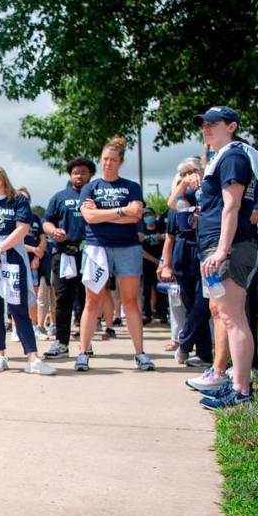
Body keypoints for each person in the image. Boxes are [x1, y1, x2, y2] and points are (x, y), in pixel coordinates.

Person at [191, 106, 258, 409]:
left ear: (231, 126)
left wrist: (222, 250)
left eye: (213, 124)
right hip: (219, 245)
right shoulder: (224, 157)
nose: (206, 129)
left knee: (233, 318)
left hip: (231, 247)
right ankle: (236, 384)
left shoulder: (233, 156)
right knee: (226, 315)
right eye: (203, 125)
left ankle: (241, 390)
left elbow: (231, 207)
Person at [0, 164, 56, 375]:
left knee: (18, 309)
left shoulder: (17, 200)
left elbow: (22, 228)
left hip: (12, 258)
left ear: (1, 174)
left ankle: (33, 359)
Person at [77, 136, 155, 372]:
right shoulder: (90, 187)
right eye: (104, 159)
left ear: (120, 162)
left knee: (130, 301)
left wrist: (104, 214)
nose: (107, 164)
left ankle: (140, 353)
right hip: (96, 247)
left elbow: (137, 216)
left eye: (112, 160)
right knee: (93, 302)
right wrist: (122, 211)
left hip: (128, 247)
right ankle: (83, 352)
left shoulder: (132, 187)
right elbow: (89, 217)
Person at [161, 157, 212, 368]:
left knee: (205, 301)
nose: (189, 175)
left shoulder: (209, 188)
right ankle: (203, 353)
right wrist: (165, 263)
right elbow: (170, 231)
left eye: (192, 171)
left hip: (206, 248)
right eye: (183, 173)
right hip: (183, 253)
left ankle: (184, 342)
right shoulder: (180, 196)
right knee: (190, 303)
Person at [41, 157, 95, 358]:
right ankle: (61, 343)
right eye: (75, 172)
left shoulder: (95, 195)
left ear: (90, 174)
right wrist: (53, 231)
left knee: (88, 299)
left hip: (90, 253)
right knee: (63, 299)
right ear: (70, 175)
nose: (79, 176)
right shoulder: (59, 197)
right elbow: (47, 222)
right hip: (64, 254)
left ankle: (86, 343)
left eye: (83, 172)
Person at [13, 187, 49, 341]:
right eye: (20, 198)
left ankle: (34, 326)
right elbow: (14, 241)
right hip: (16, 260)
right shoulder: (13, 218)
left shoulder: (34, 218)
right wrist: (33, 249)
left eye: (26, 199)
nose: (24, 201)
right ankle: (16, 329)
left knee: (32, 295)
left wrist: (38, 253)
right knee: (15, 296)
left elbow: (42, 238)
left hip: (34, 263)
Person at [139, 207, 167, 323]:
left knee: (161, 290)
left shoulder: (161, 227)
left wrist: (161, 261)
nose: (148, 217)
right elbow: (140, 250)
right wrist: (154, 260)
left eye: (150, 214)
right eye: (145, 215)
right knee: (146, 291)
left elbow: (167, 240)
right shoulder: (142, 230)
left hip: (161, 263)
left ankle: (162, 313)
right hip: (146, 264)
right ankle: (147, 314)